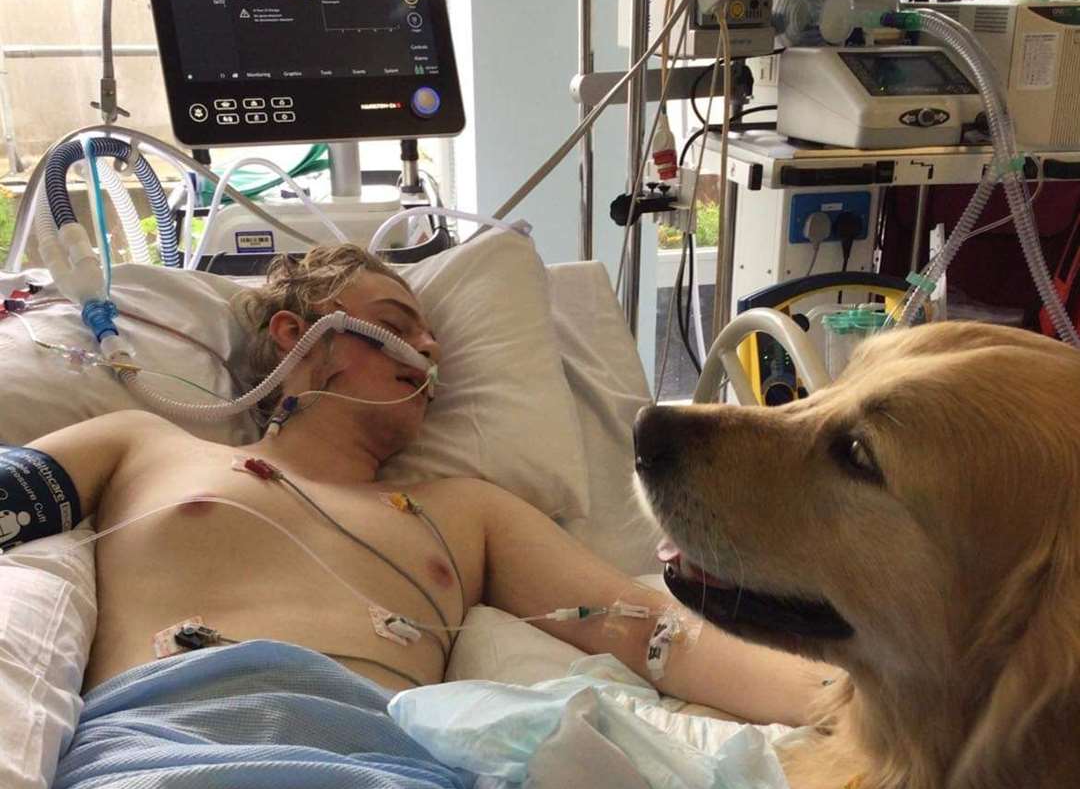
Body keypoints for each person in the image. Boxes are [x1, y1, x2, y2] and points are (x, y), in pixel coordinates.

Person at [18, 243, 834, 722]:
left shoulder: (467, 512)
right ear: (299, 337)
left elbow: (663, 634)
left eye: (434, 336)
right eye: (398, 325)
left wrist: (852, 707)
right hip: (159, 771)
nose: (430, 351)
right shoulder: (142, 443)